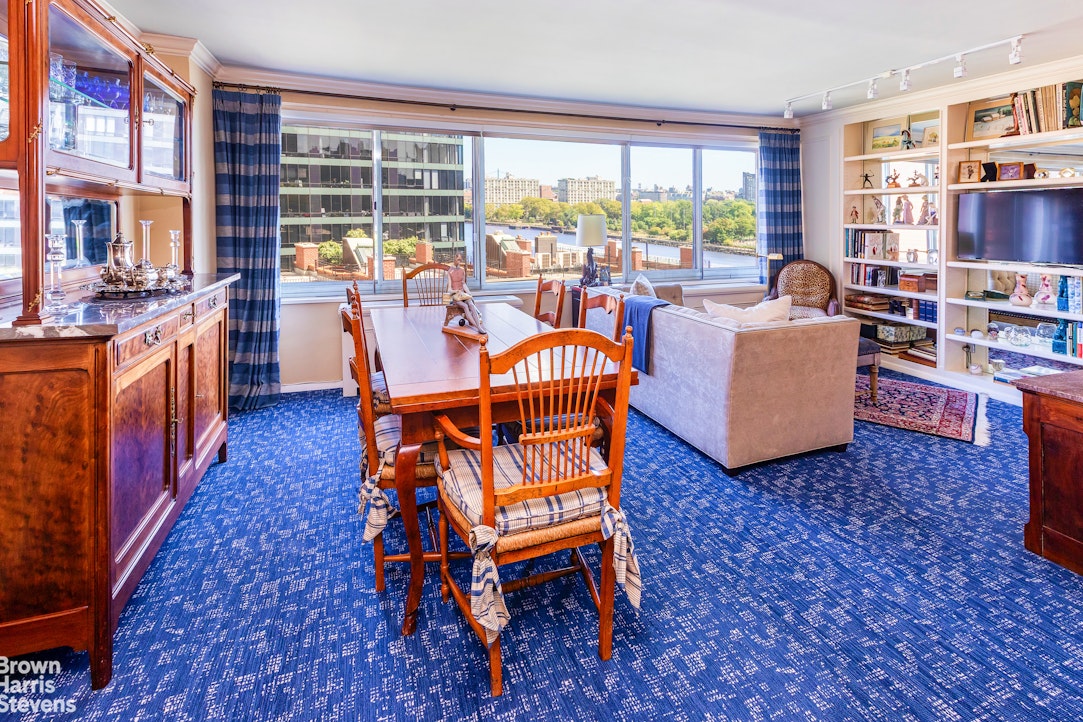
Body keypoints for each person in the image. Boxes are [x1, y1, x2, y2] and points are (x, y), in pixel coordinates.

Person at [446, 254, 484, 332]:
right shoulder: (450, 271)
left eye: (460, 260)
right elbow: (449, 289)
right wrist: (455, 291)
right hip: (456, 295)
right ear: (454, 259)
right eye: (457, 259)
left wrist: (469, 294)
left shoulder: (462, 270)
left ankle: (478, 326)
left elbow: (463, 284)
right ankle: (477, 327)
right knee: (465, 306)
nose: (459, 261)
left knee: (471, 305)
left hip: (463, 294)